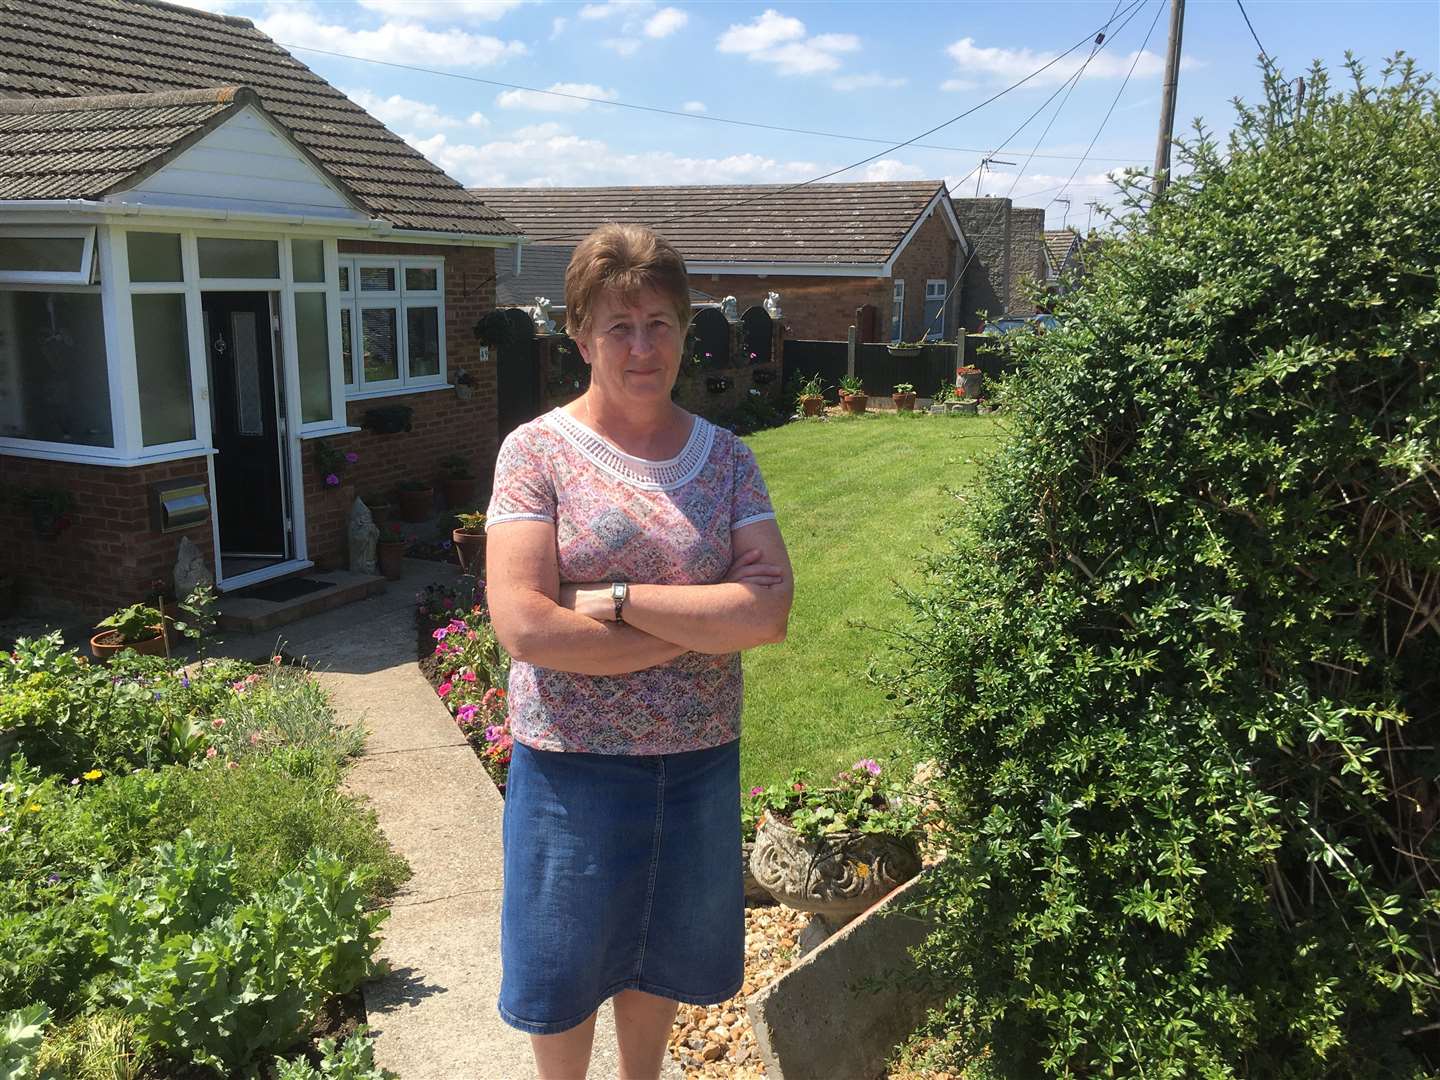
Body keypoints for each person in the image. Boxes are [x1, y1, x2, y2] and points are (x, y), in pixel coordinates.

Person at [484, 222, 794, 1080]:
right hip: (572, 765)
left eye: (659, 322)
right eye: (617, 326)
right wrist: (700, 627)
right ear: (580, 337)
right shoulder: (535, 454)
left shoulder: (726, 459)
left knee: (657, 955)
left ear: (684, 331)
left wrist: (621, 603)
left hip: (695, 762)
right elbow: (526, 626)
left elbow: (767, 611)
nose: (640, 345)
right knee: (565, 969)